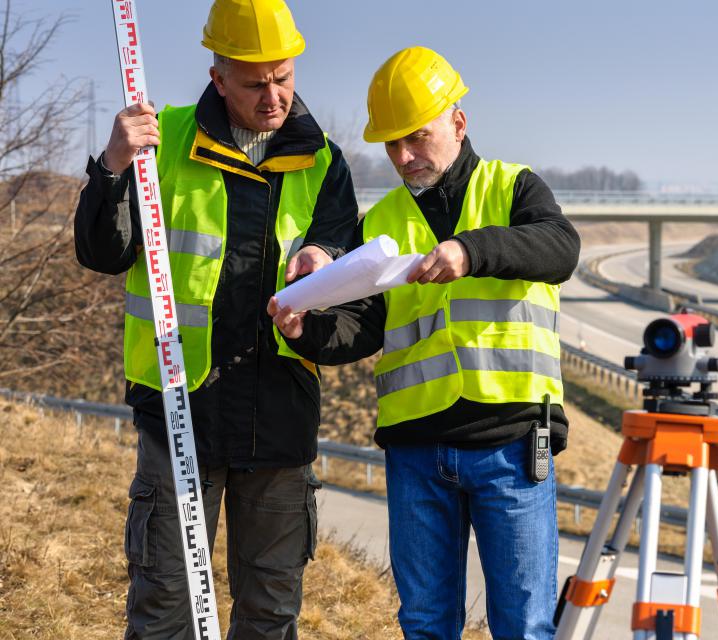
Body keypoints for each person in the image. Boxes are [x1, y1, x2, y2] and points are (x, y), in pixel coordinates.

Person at [270, 46, 581, 639]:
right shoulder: (381, 220)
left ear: (458, 123)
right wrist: (306, 328)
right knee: (426, 624)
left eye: (415, 137)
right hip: (416, 452)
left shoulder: (512, 187)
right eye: (391, 145)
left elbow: (559, 248)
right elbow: (361, 326)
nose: (404, 157)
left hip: (511, 446)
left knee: (523, 627)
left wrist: (471, 252)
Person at [74, 1, 360, 637]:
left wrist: (325, 259)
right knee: (164, 610)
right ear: (218, 77)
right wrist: (114, 167)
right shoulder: (162, 140)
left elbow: (346, 282)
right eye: (255, 83)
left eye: (284, 78)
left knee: (271, 616)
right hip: (180, 415)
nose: (274, 96)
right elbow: (102, 253)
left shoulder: (324, 163)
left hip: (281, 422)